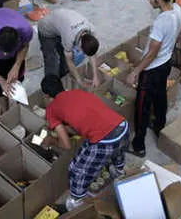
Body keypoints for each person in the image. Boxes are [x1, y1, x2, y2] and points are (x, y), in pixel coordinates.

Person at [40, 75, 129, 211]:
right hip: (122, 126)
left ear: (46, 95)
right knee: (117, 150)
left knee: (77, 169)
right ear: (61, 85)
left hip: (105, 139)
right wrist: (67, 128)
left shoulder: (51, 110)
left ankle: (75, 203)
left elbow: (66, 145)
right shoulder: (77, 92)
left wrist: (51, 140)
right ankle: (119, 171)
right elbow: (82, 118)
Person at [126, 0, 181, 157]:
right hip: (166, 63)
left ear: (158, 0)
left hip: (152, 69)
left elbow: (152, 53)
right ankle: (159, 127)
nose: (148, 0)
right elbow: (179, 33)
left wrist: (136, 72)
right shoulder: (177, 9)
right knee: (160, 96)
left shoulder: (161, 22)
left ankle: (139, 145)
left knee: (141, 107)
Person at [38, 8, 101, 88]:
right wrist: (80, 81)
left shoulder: (92, 31)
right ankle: (51, 86)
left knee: (63, 56)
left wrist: (95, 76)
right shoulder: (69, 37)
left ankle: (63, 78)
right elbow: (69, 61)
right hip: (46, 28)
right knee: (51, 60)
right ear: (80, 48)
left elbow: (92, 55)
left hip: (61, 24)